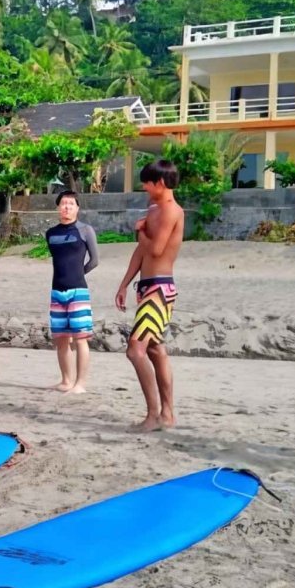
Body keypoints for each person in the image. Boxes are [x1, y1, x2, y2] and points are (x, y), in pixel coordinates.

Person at [116, 160, 185, 431]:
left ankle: (154, 415)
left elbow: (155, 250)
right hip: (147, 287)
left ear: (160, 183)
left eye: (146, 182)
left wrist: (140, 231)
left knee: (136, 350)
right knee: (155, 349)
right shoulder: (154, 209)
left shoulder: (171, 211)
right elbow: (141, 253)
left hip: (161, 289)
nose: (144, 187)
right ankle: (167, 415)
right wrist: (124, 284)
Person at [45, 190, 98, 393]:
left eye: (71, 204)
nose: (66, 207)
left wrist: (78, 273)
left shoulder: (85, 230)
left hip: (78, 291)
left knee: (80, 337)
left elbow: (94, 261)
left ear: (77, 208)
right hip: (56, 291)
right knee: (60, 338)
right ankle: (66, 380)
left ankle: (80, 383)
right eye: (63, 203)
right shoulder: (51, 233)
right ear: (58, 207)